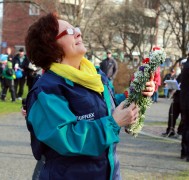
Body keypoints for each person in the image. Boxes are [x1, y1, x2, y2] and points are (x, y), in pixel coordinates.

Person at [24, 13, 155, 180]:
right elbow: (66, 138)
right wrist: (113, 123)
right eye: (69, 32)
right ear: (51, 46)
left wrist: (136, 94)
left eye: (75, 29)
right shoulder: (46, 90)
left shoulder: (95, 76)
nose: (78, 33)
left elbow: (108, 108)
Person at [162, 59, 187, 137]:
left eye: (183, 65)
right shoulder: (180, 74)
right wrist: (172, 87)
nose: (182, 67)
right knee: (172, 114)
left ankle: (180, 132)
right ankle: (170, 130)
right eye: (181, 65)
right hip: (177, 98)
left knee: (183, 117)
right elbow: (176, 83)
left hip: (184, 98)